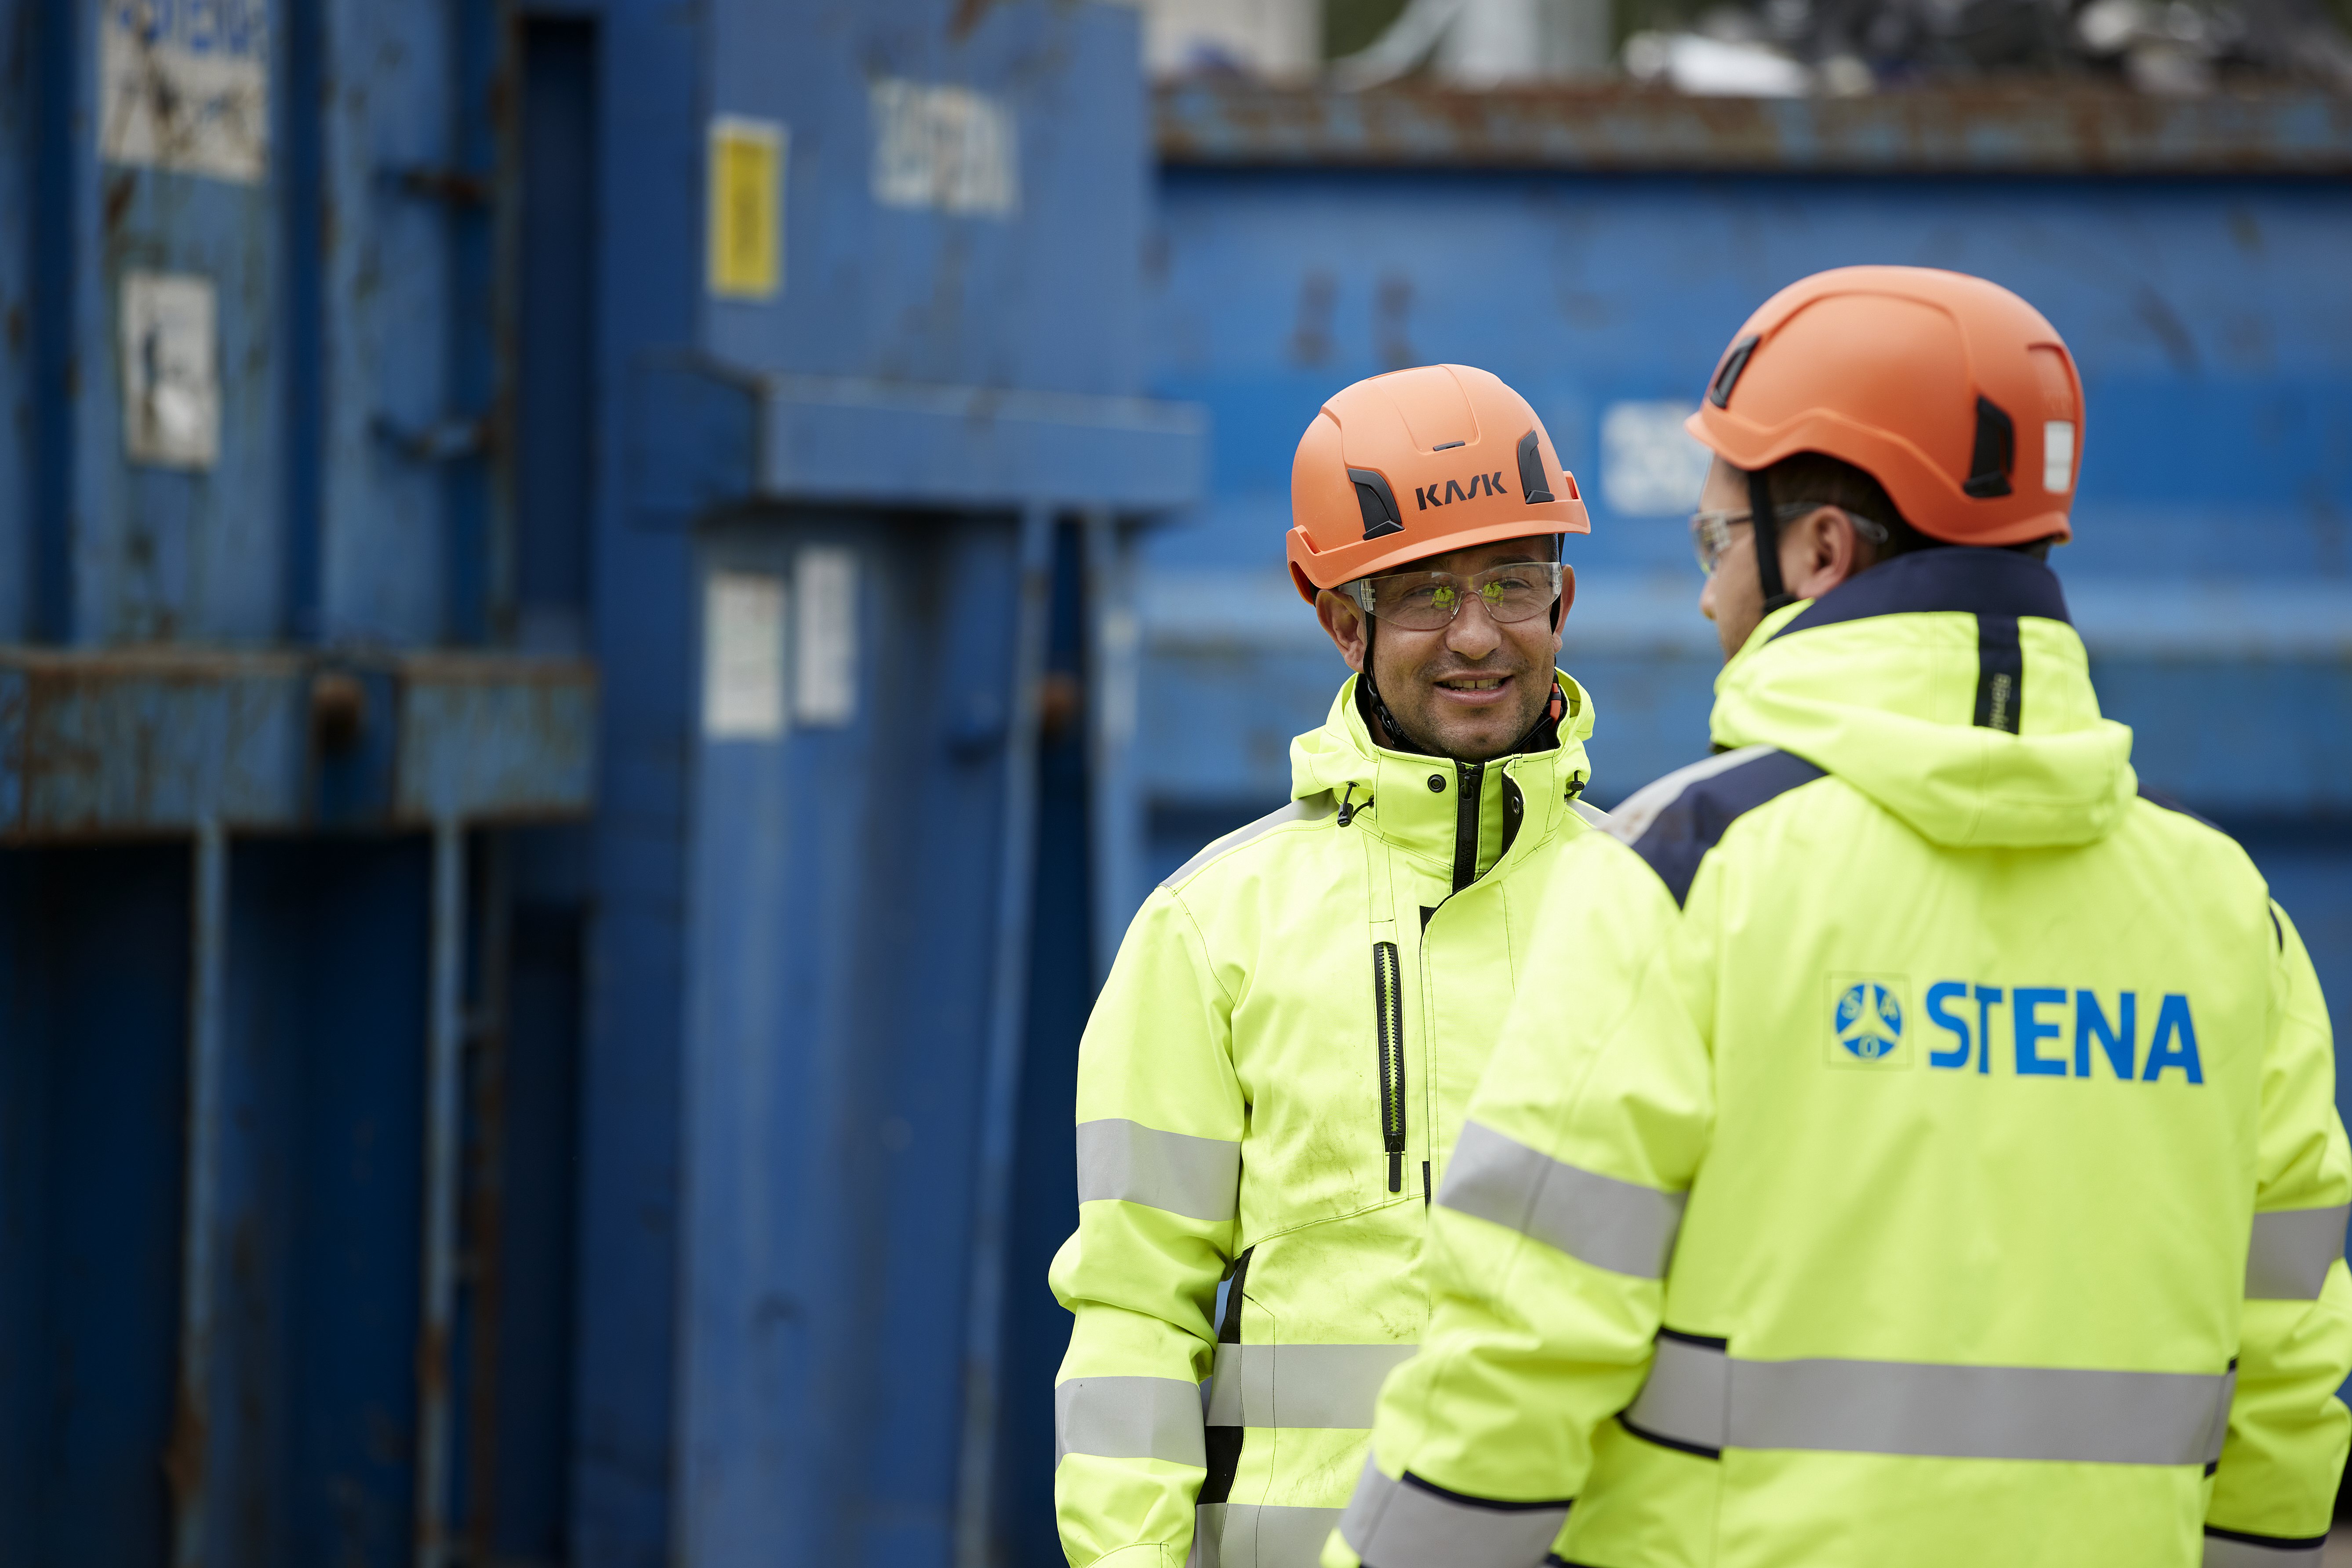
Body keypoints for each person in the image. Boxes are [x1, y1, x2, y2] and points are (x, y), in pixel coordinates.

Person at [1327, 266, 2352, 1568]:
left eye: (1716, 543)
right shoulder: (2229, 919)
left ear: (1820, 550)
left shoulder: (1687, 873)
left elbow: (1516, 1358)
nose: (1707, 597)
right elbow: (2287, 1395)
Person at [1050, 364, 1611, 1568]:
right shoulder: (1212, 930)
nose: (1477, 635)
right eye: (1423, 593)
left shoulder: (1661, 908)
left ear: (1562, 599)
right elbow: (1133, 1317)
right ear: (1341, 619)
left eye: (1513, 581)